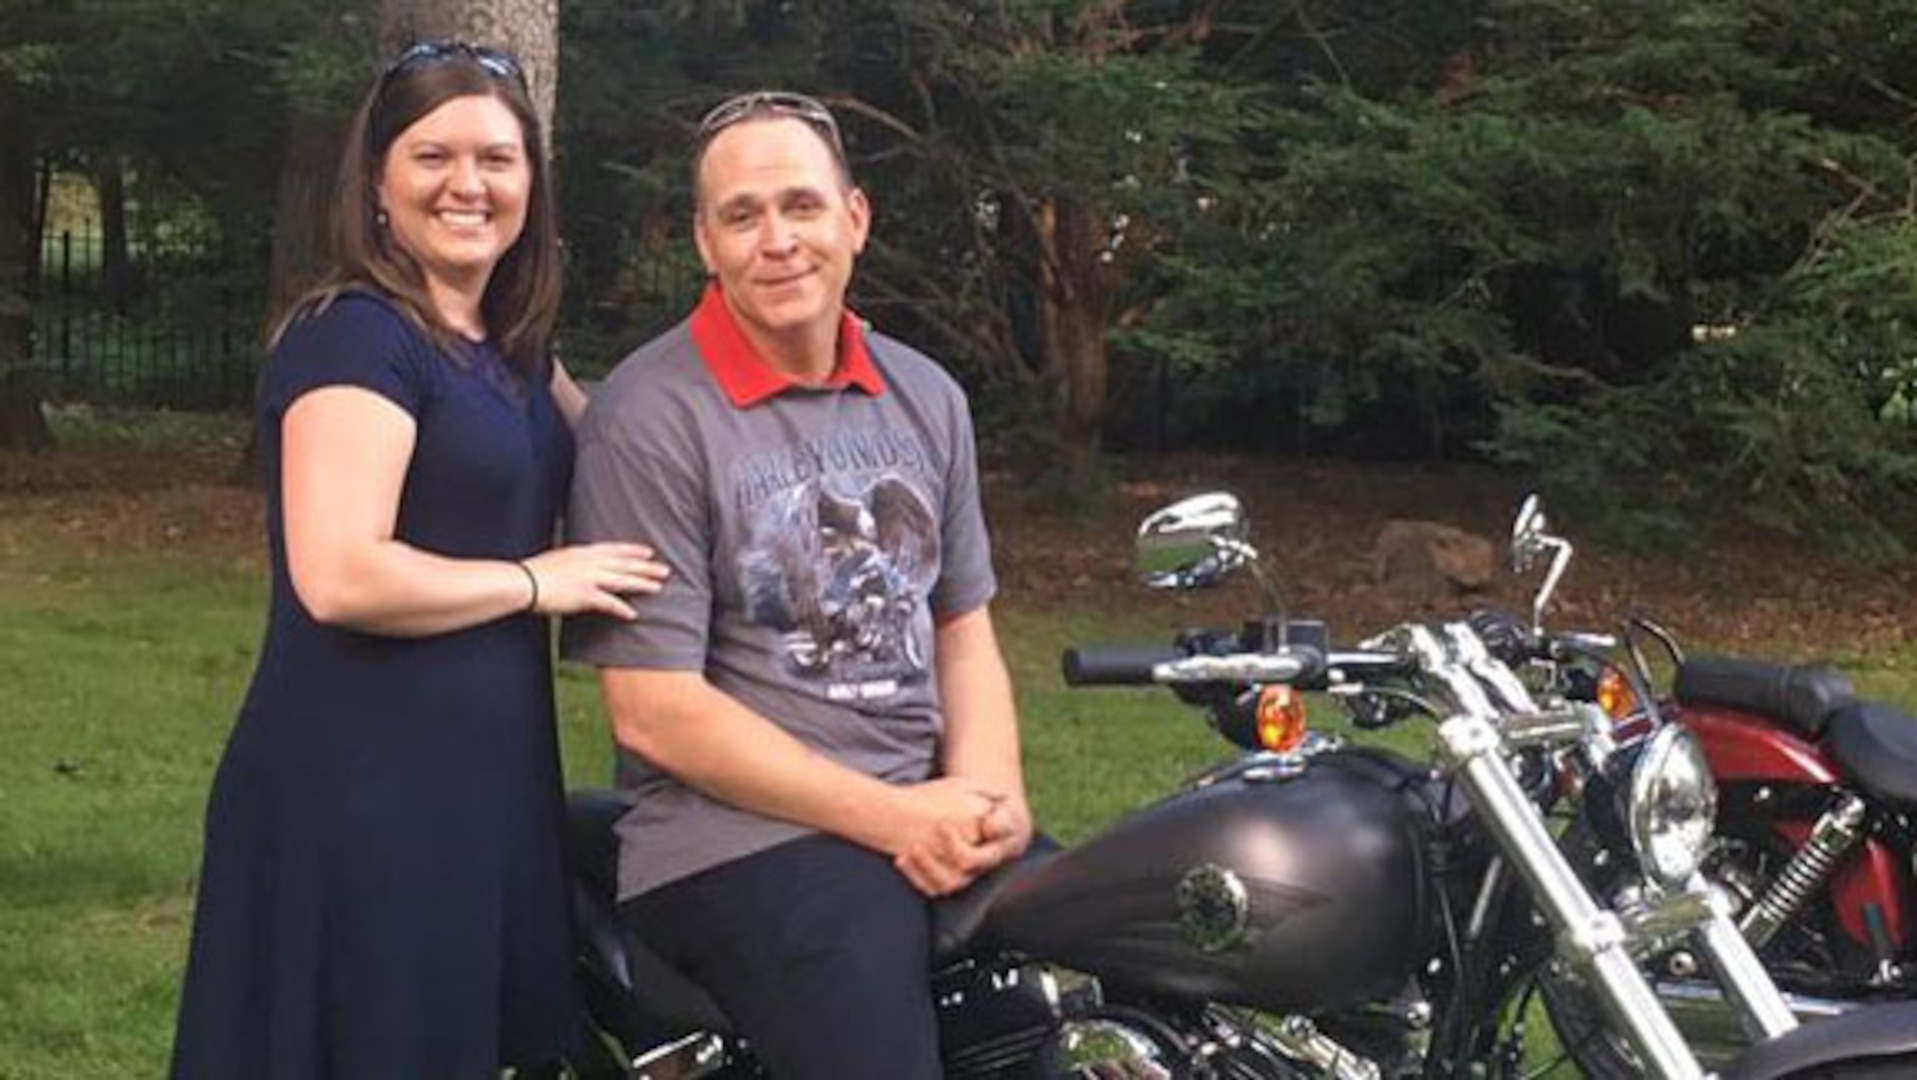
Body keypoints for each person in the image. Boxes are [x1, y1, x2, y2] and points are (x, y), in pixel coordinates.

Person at [169, 41, 668, 1079]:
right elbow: (340, 572)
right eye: (432, 156)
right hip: (357, 782)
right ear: (377, 183)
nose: (468, 185)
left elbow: (632, 454)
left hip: (485, 776)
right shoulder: (355, 337)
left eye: (497, 158)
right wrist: (538, 582)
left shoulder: (511, 346)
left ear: (532, 179)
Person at [561, 90, 1033, 1078]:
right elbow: (654, 711)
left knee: (1089, 991)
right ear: (705, 240)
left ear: (853, 219)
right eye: (742, 215)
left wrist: (989, 797)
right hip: (733, 844)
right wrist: (898, 819)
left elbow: (964, 631)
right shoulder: (652, 416)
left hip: (923, 808)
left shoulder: (926, 396)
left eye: (801, 206)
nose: (777, 240)